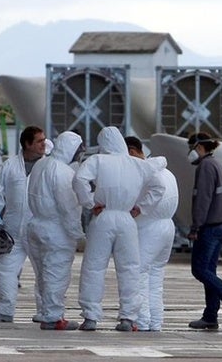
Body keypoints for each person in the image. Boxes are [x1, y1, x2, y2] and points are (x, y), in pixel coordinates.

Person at [73, 126, 167, 332]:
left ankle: (91, 316)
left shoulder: (97, 161)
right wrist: (141, 207)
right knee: (130, 268)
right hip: (126, 218)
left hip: (103, 216)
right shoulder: (138, 164)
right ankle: (128, 317)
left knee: (94, 267)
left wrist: (89, 202)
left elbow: (79, 179)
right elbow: (159, 186)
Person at [0, 125, 47, 322]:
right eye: (39, 141)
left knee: (46, 271)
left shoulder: (49, 166)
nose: (44, 144)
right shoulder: (10, 166)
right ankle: (4, 309)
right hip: (12, 229)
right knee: (5, 268)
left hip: (39, 227)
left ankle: (47, 311)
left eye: (44, 140)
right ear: (27, 144)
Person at [186, 132, 222, 330]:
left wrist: (196, 227)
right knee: (209, 271)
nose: (190, 153)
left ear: (199, 147)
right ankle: (210, 316)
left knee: (199, 269)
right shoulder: (217, 164)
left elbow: (203, 200)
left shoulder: (205, 166)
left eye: (191, 148)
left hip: (210, 225)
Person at [27, 131, 86, 330]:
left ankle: (45, 312)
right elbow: (68, 207)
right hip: (56, 231)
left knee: (43, 274)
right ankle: (53, 317)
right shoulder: (63, 172)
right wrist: (78, 234)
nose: (80, 154)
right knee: (56, 274)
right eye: (79, 150)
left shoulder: (41, 164)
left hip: (35, 225)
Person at [125, 136, 179, 332]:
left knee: (139, 273)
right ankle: (155, 321)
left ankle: (141, 320)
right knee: (156, 277)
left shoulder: (143, 173)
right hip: (167, 228)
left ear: (131, 152)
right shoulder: (168, 173)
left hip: (148, 228)